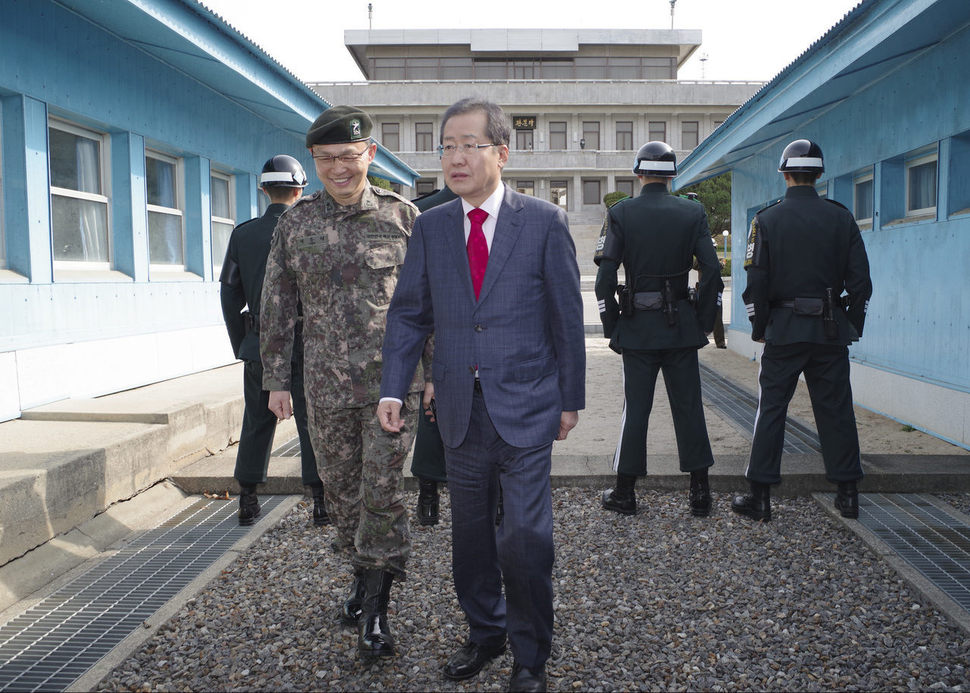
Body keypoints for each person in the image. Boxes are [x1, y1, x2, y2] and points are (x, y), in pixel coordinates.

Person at [378, 98, 586, 693]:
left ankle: (529, 657)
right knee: (468, 538)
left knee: (524, 537)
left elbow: (565, 317)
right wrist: (396, 386)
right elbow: (409, 313)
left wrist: (570, 396)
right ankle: (486, 630)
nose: (455, 157)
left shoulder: (543, 221)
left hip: (527, 404)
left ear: (502, 151)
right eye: (446, 146)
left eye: (469, 144)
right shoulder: (432, 224)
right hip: (458, 413)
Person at [259, 106, 425, 659]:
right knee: (343, 493)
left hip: (392, 388)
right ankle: (362, 574)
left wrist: (439, 377)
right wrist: (276, 379)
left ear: (369, 155)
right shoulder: (296, 223)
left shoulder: (404, 219)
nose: (338, 169)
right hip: (325, 389)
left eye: (348, 157)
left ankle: (376, 611)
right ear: (314, 162)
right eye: (326, 159)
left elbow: (432, 306)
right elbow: (277, 307)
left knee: (381, 493)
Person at [732, 139, 872, 522]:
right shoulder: (841, 218)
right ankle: (847, 495)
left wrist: (760, 326)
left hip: (784, 329)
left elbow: (756, 282)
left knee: (772, 410)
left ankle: (760, 497)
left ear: (784, 173)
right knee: (838, 411)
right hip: (830, 331)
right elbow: (861, 283)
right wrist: (848, 324)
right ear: (819, 173)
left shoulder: (766, 220)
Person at [593, 141, 720, 518]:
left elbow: (604, 280)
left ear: (638, 173)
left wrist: (612, 325)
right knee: (689, 407)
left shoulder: (621, 213)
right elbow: (712, 271)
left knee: (636, 410)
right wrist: (700, 322)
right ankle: (700, 493)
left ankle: (625, 492)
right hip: (681, 325)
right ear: (672, 175)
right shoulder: (692, 211)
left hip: (637, 327)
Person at [219, 155, 327, 527]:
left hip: (260, 343)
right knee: (313, 421)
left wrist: (242, 343)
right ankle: (320, 501)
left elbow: (230, 294)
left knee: (257, 419)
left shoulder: (243, 234)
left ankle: (247, 498)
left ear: (263, 189)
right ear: (300, 190)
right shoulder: (311, 229)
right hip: (309, 343)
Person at [408, 186, 457, 526]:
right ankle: (428, 494)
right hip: (439, 322)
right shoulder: (417, 212)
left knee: (432, 409)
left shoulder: (419, 209)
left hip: (436, 321)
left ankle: (428, 498)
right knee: (431, 407)